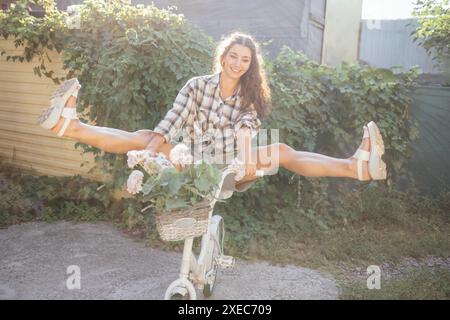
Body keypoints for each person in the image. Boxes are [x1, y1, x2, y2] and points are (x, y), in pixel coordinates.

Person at [37, 32, 386, 192]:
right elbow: (172, 121)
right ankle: (71, 126)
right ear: (222, 58)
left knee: (280, 151)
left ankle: (355, 168)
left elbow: (248, 128)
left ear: (250, 66)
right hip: (193, 159)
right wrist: (151, 148)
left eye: (245, 60)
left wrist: (248, 156)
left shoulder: (249, 94)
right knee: (145, 138)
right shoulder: (196, 85)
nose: (238, 63)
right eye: (233, 56)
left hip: (233, 166)